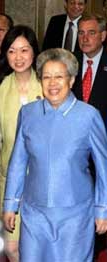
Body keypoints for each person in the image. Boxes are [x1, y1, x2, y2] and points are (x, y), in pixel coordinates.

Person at [3, 48, 107, 262]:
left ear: (71, 80)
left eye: (59, 77)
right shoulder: (28, 113)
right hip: (34, 213)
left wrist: (102, 209)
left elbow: (104, 167)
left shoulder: (88, 116)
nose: (52, 83)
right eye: (46, 77)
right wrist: (10, 204)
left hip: (75, 214)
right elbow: (18, 162)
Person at [0, 25, 42, 262]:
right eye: (12, 51)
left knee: (38, 245)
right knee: (11, 247)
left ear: (34, 52)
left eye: (25, 50)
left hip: (43, 180)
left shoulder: (48, 85)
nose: (19, 57)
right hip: (10, 180)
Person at [72, 13, 107, 259]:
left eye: (91, 32)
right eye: (81, 33)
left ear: (103, 36)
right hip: (75, 154)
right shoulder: (68, 63)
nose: (85, 38)